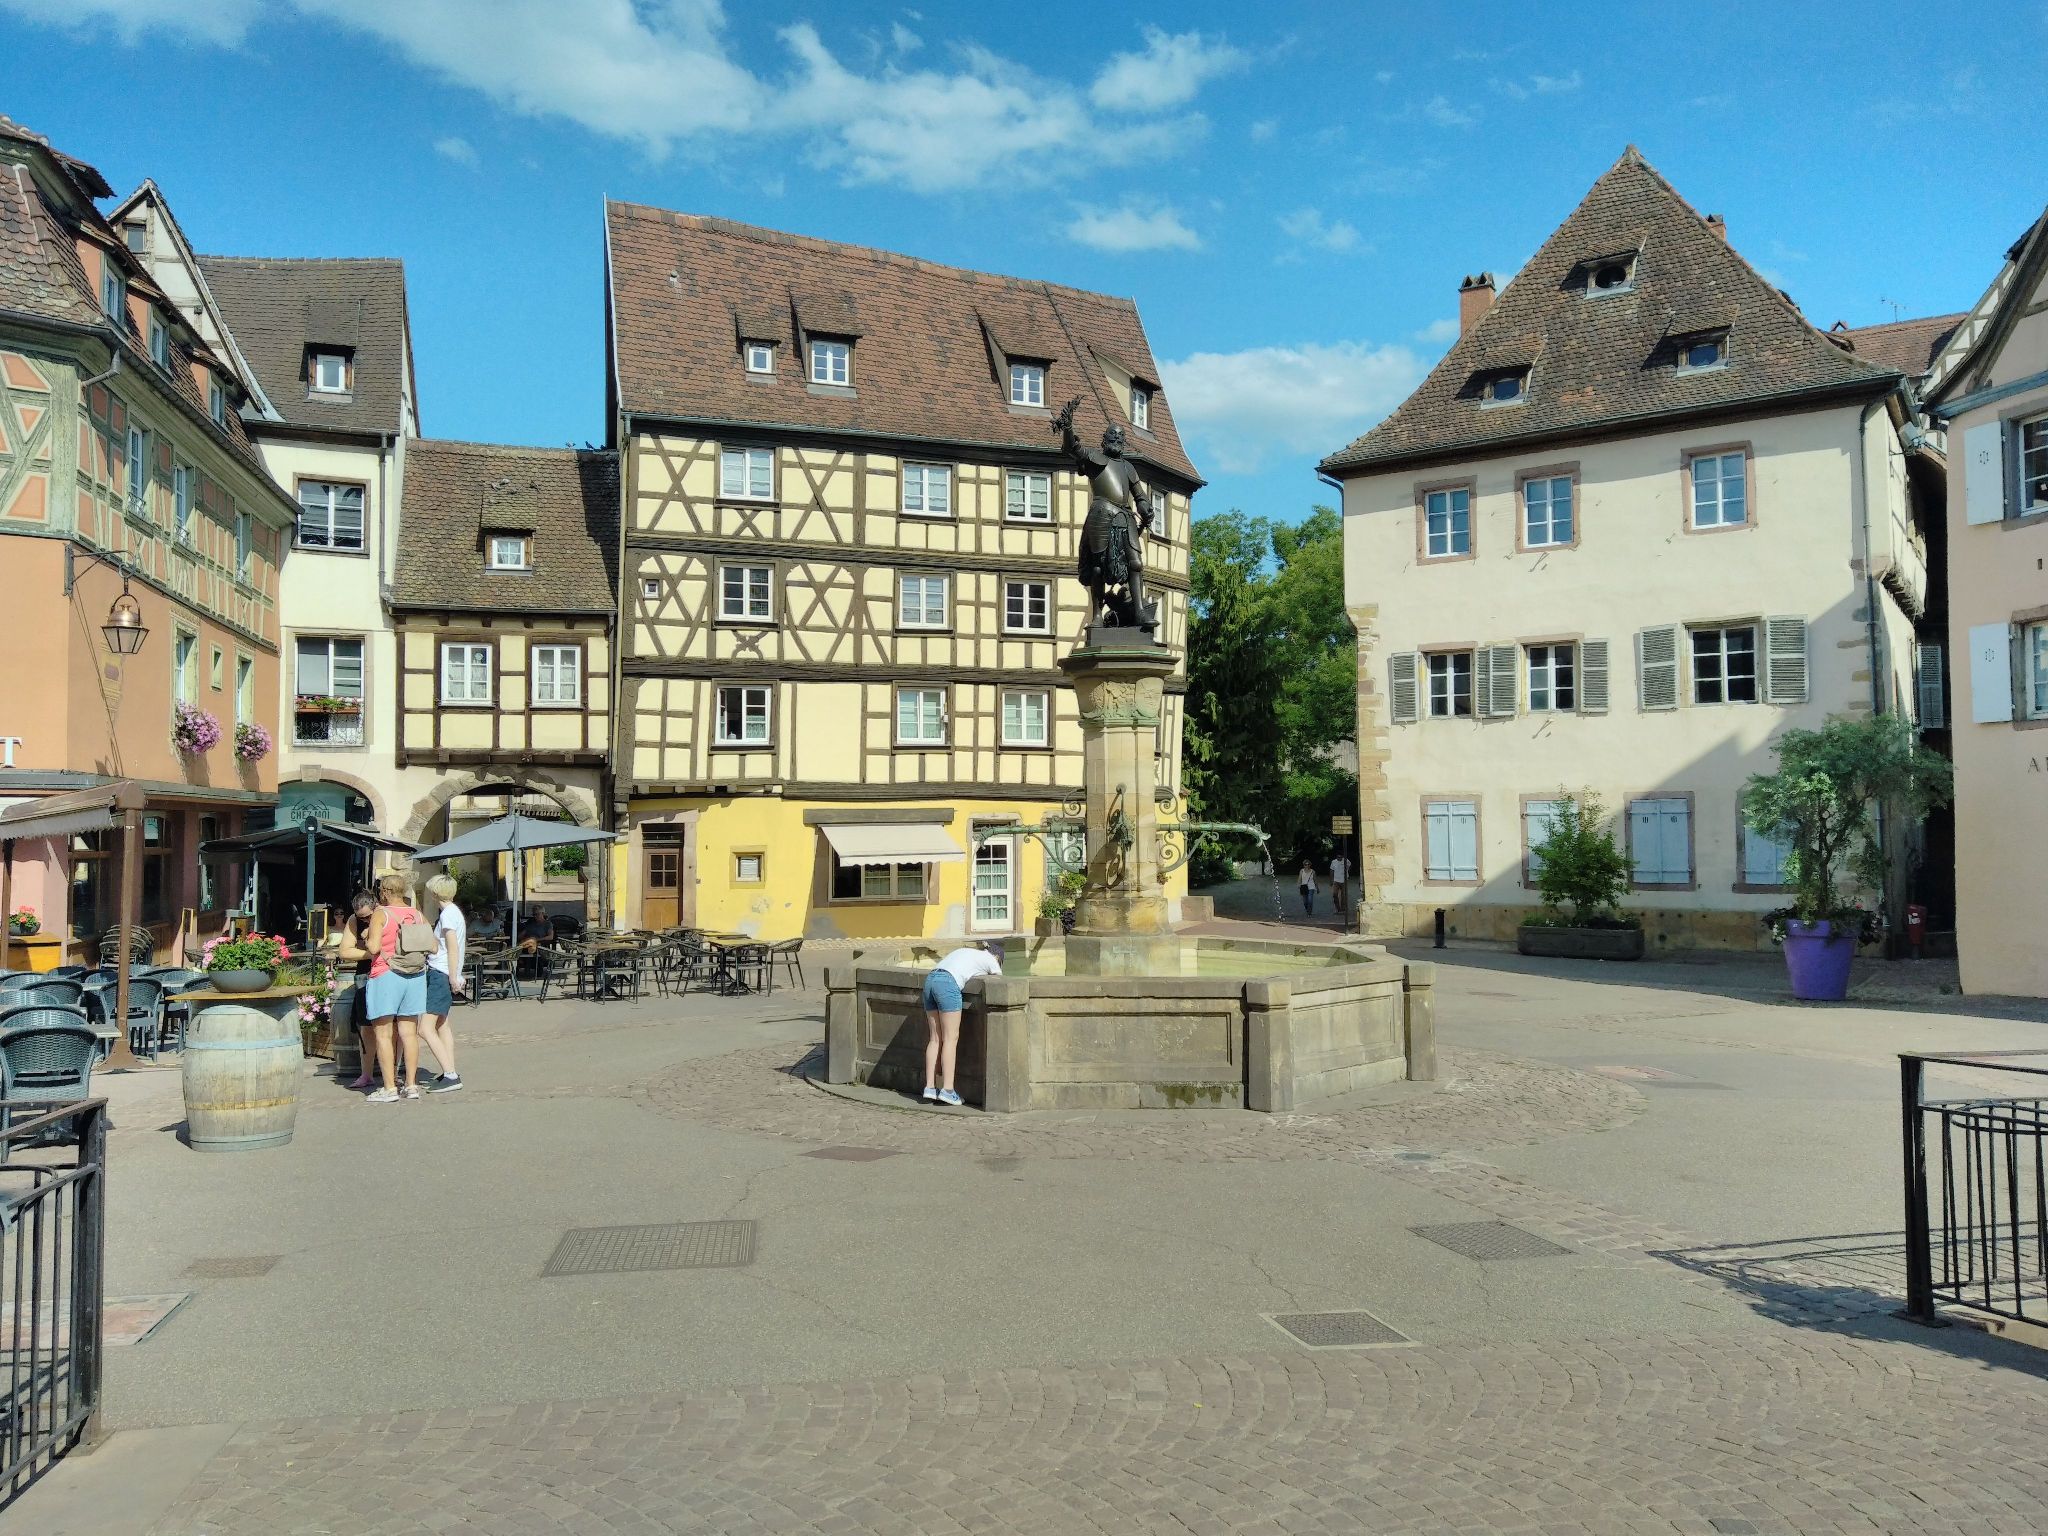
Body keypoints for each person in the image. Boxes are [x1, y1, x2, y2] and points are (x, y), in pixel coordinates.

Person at [363, 873, 428, 1103]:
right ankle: (411, 1085)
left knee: (383, 1034)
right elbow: (430, 943)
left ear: (385, 892)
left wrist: (366, 936)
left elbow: (373, 947)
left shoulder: (381, 913)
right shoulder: (417, 914)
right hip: (415, 975)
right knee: (409, 1033)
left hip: (386, 974)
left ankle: (389, 1088)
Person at [920, 942, 1003, 1107]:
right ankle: (947, 1090)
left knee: (935, 1038)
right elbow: (1000, 982)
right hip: (948, 983)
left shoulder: (967, 952)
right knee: (950, 1038)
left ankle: (930, 1087)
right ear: (998, 958)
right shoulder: (992, 960)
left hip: (931, 979)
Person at [418, 873, 465, 1093]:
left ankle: (450, 1074)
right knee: (442, 1025)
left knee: (424, 1028)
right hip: (443, 972)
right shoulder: (453, 912)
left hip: (440, 973)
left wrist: (454, 976)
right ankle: (450, 1070)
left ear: (435, 893)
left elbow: (452, 947)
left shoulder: (447, 915)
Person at [335, 891, 380, 1090]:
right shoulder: (354, 920)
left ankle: (394, 1073)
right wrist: (369, 954)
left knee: (393, 1025)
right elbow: (344, 950)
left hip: (388, 973)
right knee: (366, 1025)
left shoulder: (385, 915)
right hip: (365, 972)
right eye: (361, 917)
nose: (365, 920)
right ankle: (366, 1074)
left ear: (375, 907)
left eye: (368, 916)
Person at [1330, 852, 1350, 918]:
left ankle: (1343, 908)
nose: (1339, 858)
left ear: (1342, 857)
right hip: (1336, 880)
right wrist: (1331, 880)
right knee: (1334, 894)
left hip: (1344, 880)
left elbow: (1350, 865)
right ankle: (1338, 908)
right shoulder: (1333, 862)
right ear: (1336, 857)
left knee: (1343, 895)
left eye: (1340, 857)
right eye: (1338, 857)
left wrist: (1347, 871)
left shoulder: (1346, 860)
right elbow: (1331, 871)